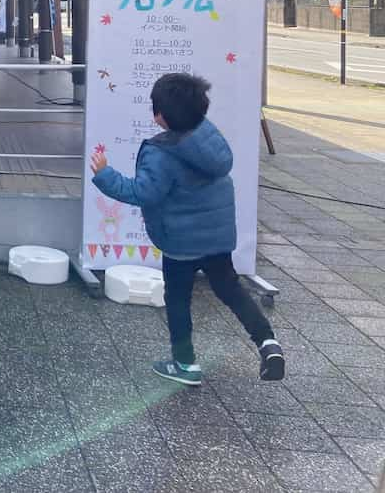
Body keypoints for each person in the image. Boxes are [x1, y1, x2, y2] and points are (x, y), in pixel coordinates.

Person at [91, 72, 285, 386]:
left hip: (180, 243)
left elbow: (142, 192)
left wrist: (104, 174)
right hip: (217, 238)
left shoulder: (161, 152)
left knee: (178, 299)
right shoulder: (209, 137)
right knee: (231, 290)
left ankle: (185, 363)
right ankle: (267, 342)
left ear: (160, 115)